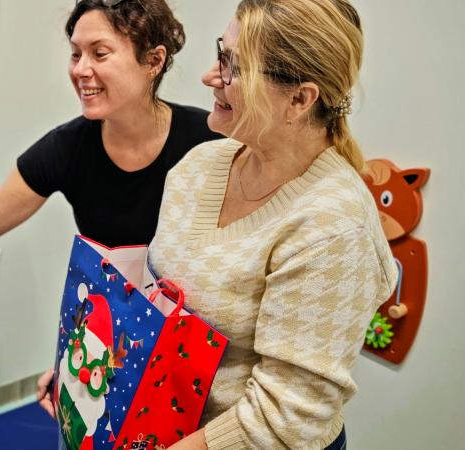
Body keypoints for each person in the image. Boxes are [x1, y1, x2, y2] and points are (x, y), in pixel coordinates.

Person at [0, 0, 220, 414]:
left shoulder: (209, 144)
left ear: (153, 61)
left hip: (197, 360)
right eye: (76, 53)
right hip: (115, 349)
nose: (81, 69)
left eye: (100, 53)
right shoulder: (67, 148)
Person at [146, 1, 398, 449]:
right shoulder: (200, 166)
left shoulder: (333, 227)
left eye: (233, 67)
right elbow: (164, 303)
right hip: (165, 423)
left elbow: (286, 420)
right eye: (220, 54)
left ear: (299, 99)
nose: (210, 76)